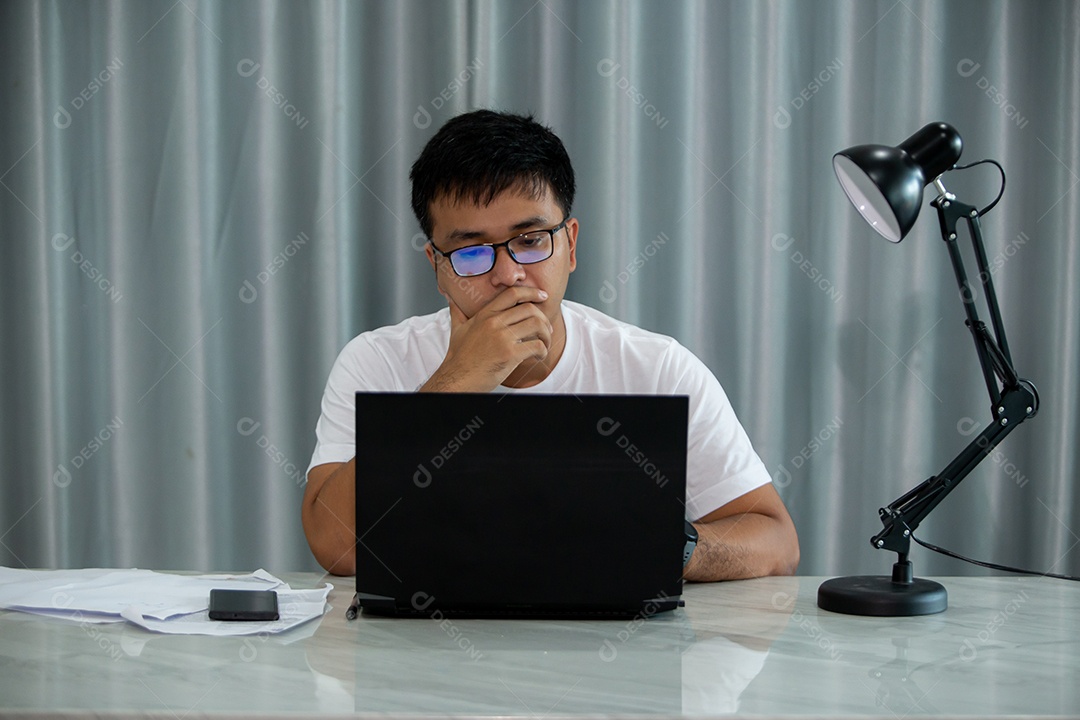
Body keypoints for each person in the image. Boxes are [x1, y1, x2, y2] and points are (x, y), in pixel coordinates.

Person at [302, 109, 799, 580]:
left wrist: (666, 545)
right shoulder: (377, 360)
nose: (508, 274)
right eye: (471, 252)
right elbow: (335, 544)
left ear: (572, 245)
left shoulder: (657, 368)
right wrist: (457, 383)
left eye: (532, 239)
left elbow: (776, 542)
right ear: (437, 267)